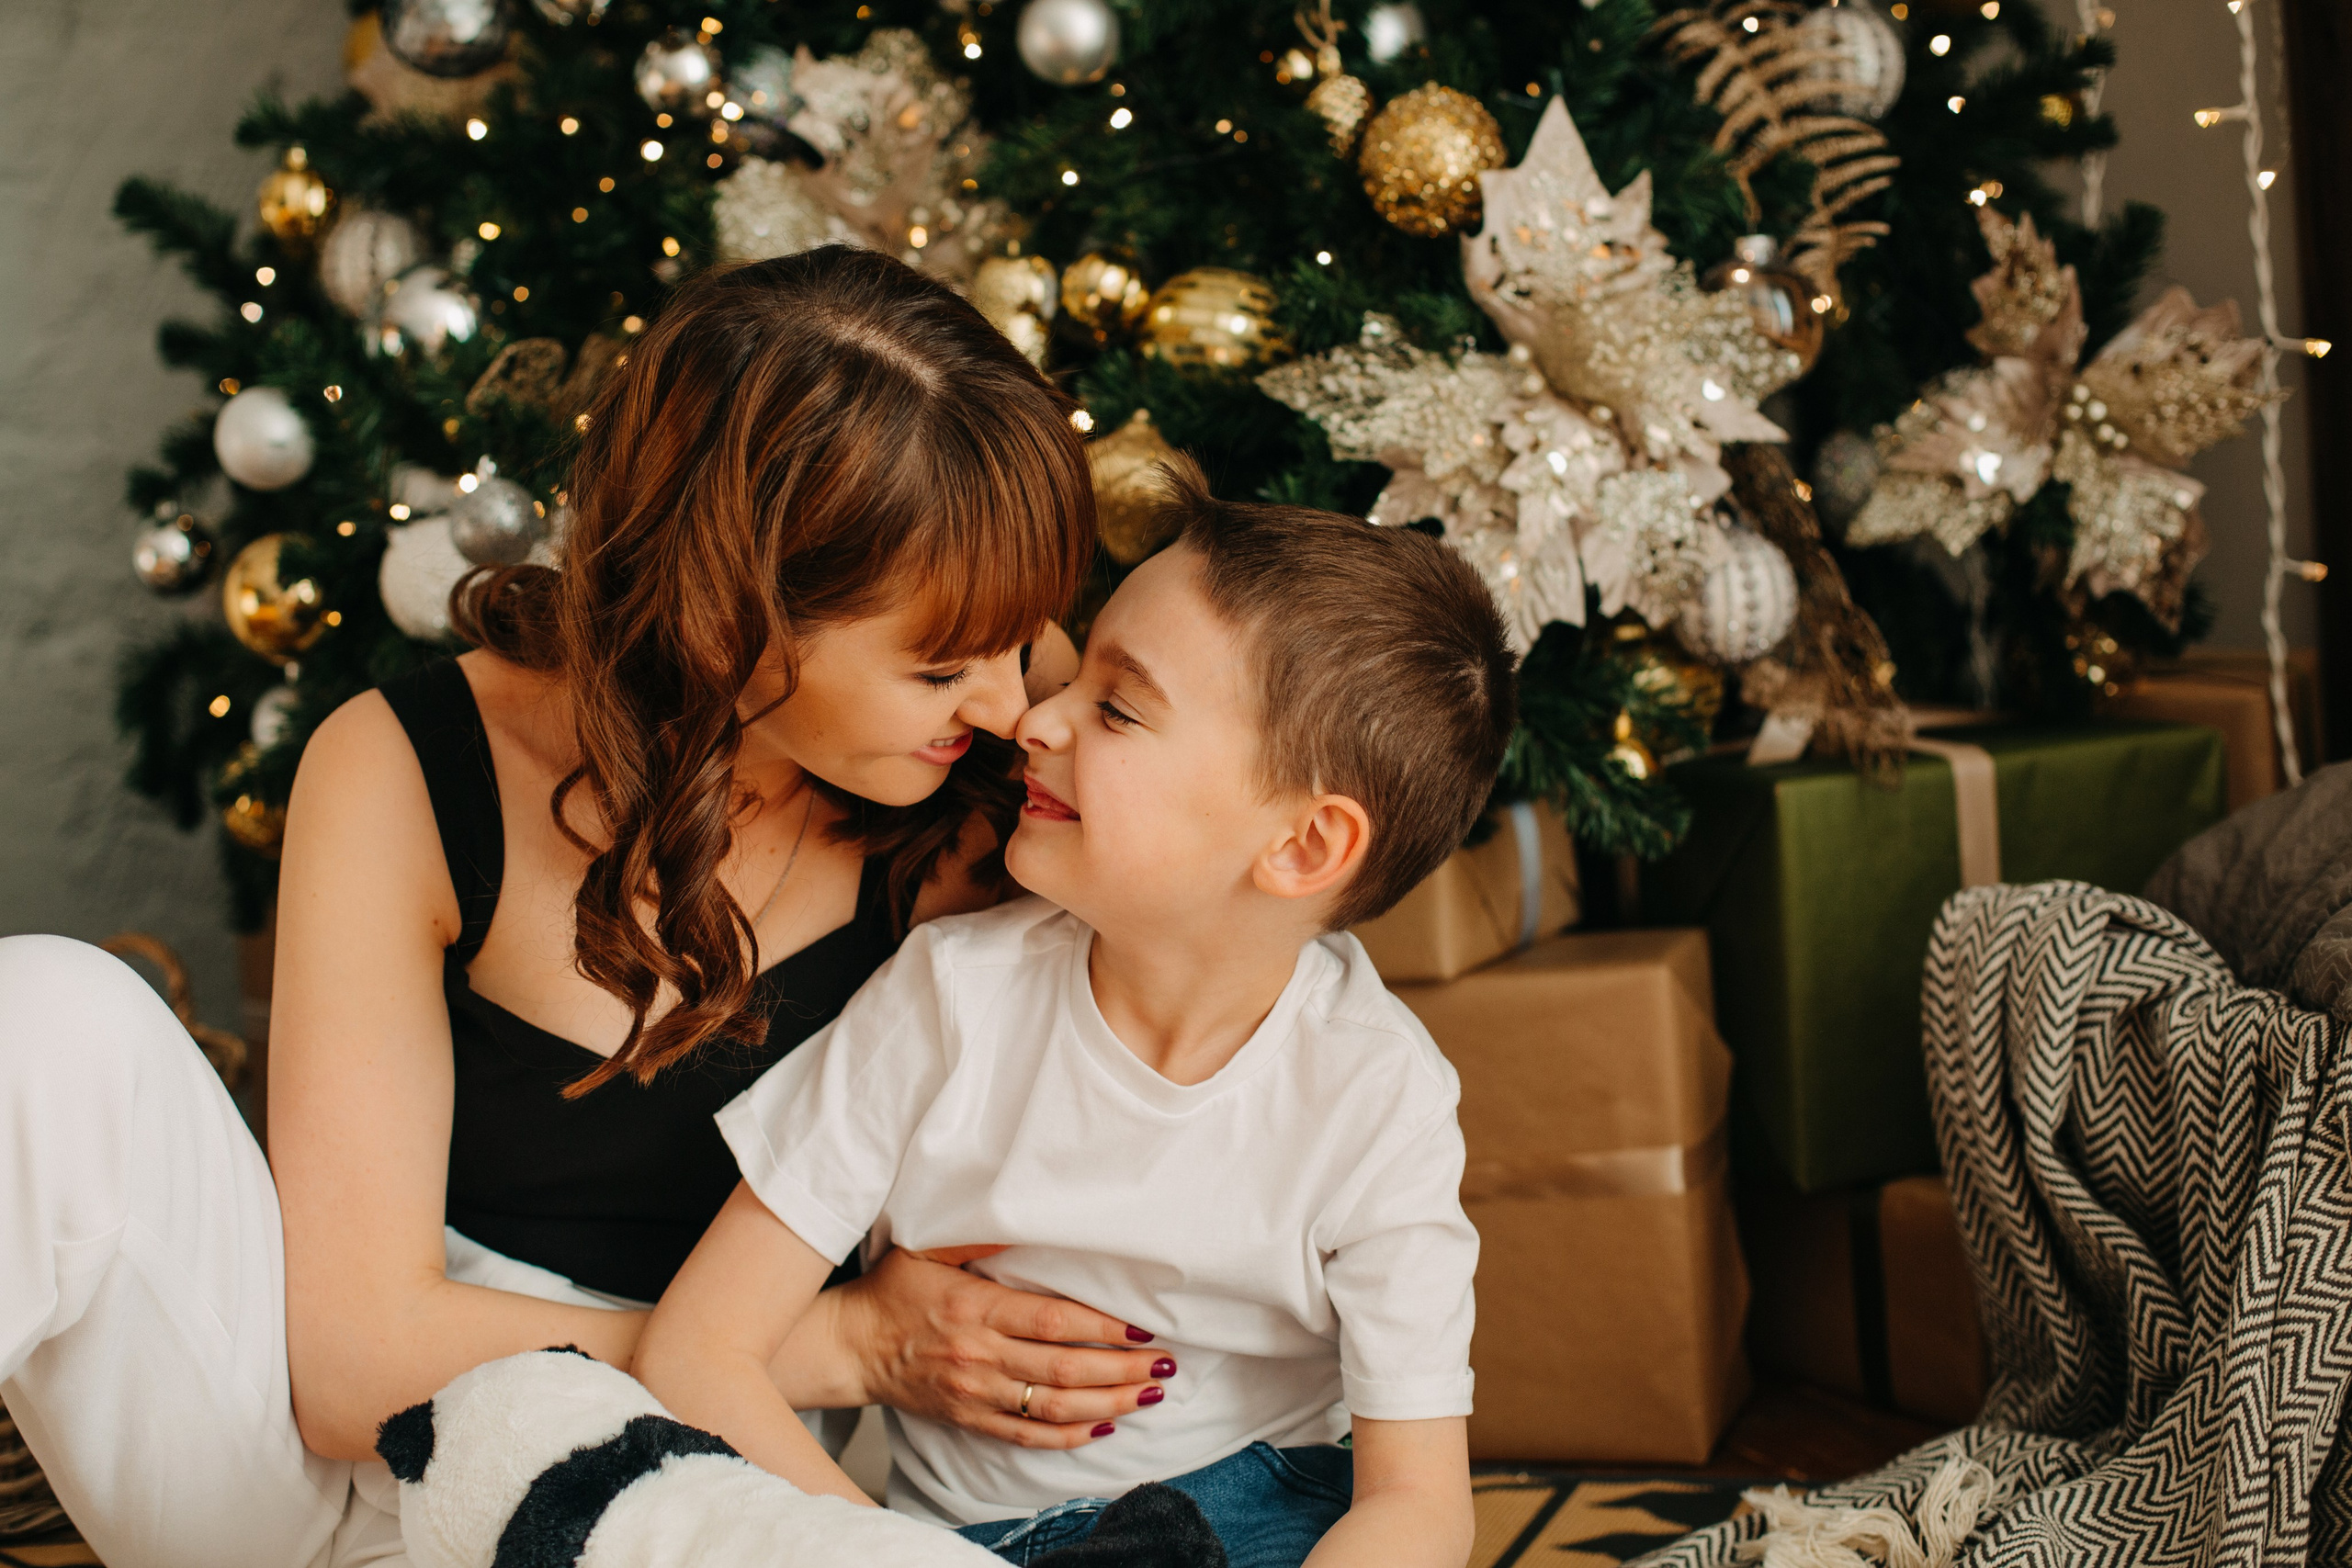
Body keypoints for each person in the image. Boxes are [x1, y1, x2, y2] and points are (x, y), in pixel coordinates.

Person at [0, 249, 1172, 1568]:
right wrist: (842, 1344)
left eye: (1023, 639)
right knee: (39, 1013)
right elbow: (348, 1362)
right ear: (731, 618)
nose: (1015, 705)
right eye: (944, 668)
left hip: (683, 1504)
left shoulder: (989, 756)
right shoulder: (408, 764)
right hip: (332, 1484)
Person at [635, 461, 1518, 1568]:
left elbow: (1418, 1503)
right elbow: (698, 1351)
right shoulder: (948, 999)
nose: (1033, 718)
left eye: (1116, 707)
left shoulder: (1377, 1095)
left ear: (1302, 846)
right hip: (957, 1548)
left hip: (1246, 1529)